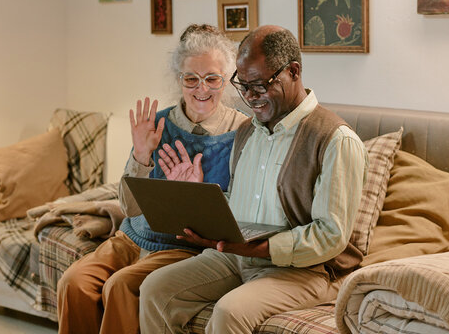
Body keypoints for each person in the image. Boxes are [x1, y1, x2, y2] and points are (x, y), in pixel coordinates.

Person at [139, 25, 369, 333]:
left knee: (229, 312)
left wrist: (261, 249)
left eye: (259, 86)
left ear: (294, 72)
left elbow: (329, 236)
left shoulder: (335, 139)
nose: (249, 97)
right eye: (242, 85)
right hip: (238, 256)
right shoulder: (247, 132)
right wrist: (203, 204)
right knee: (155, 288)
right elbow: (239, 205)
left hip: (308, 271)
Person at [56, 24, 248, 334]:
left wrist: (195, 196)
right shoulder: (156, 125)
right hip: (130, 238)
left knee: (120, 287)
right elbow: (130, 209)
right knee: (73, 283)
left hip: (183, 250)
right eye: (191, 79)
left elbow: (240, 218)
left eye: (212, 78)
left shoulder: (242, 133)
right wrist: (141, 157)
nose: (202, 89)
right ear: (179, 80)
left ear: (225, 81)